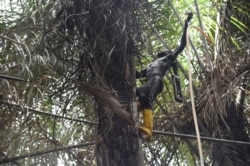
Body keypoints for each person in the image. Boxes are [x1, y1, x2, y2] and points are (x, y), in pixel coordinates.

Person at [136, 13, 193, 141]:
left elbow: (182, 45)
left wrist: (186, 24)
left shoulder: (168, 59)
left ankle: (148, 129)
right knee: (138, 95)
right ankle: (136, 108)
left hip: (156, 80)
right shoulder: (152, 65)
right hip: (151, 80)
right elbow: (138, 75)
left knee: (143, 93)